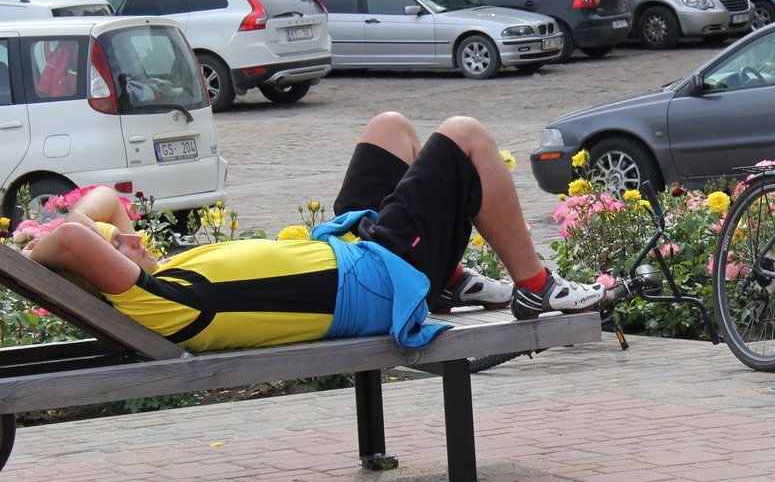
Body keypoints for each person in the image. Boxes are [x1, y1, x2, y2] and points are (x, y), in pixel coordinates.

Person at [22, 112, 604, 352]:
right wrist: (62, 240)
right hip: (379, 278)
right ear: (110, 272)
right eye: (118, 244)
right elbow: (73, 243)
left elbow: (98, 203)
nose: (132, 236)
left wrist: (86, 224)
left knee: (391, 127)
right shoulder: (160, 304)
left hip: (353, 245)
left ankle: (445, 275)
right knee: (465, 136)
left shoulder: (159, 275)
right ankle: (535, 284)